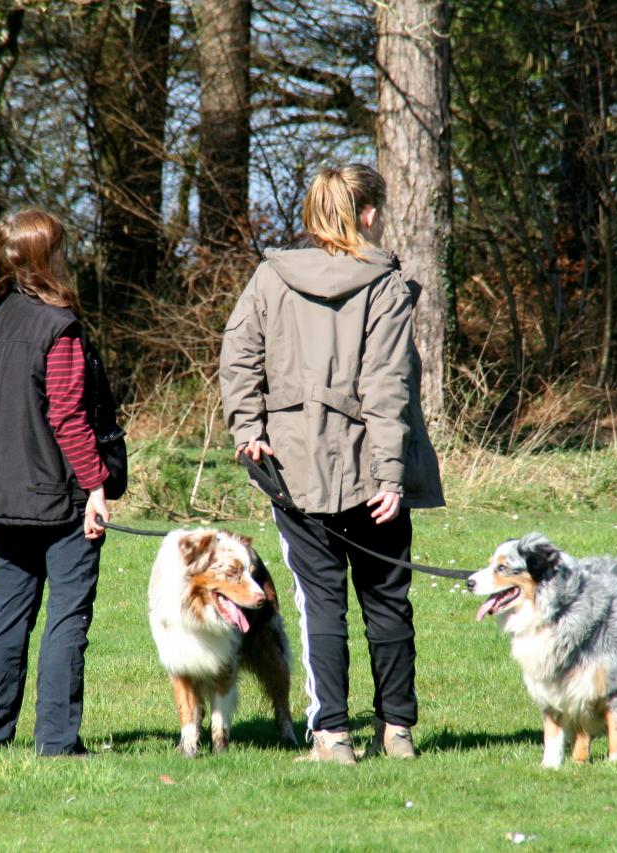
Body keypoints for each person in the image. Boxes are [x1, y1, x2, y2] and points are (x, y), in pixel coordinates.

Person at [219, 163, 445, 764]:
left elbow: (237, 357)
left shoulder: (270, 277)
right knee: (387, 600)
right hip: (371, 473)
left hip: (295, 470)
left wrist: (248, 429)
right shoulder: (383, 284)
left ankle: (333, 737)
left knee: (321, 603)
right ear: (366, 214)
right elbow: (387, 385)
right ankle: (396, 731)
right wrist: (391, 474)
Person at [0, 208, 112, 757]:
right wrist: (95, 486)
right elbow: (67, 416)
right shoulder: (57, 326)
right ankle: (57, 742)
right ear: (48, 258)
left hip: (2, 497)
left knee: (6, 615)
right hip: (60, 498)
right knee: (67, 617)